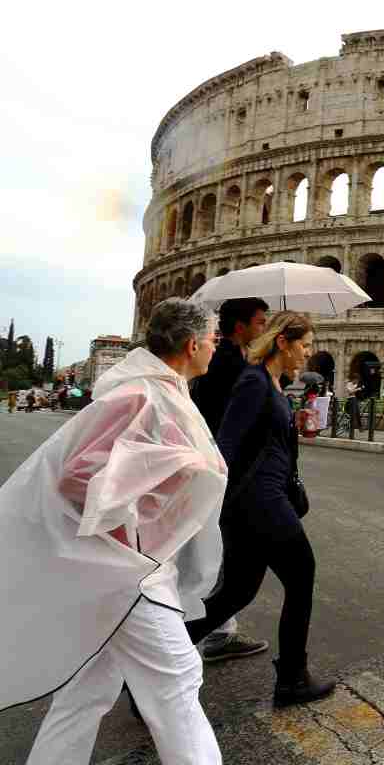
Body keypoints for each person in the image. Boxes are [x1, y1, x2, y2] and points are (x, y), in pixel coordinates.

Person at [3, 299, 225, 764]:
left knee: (88, 689)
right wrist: (130, 544)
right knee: (177, 681)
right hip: (128, 572)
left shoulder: (160, 391)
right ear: (192, 344)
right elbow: (79, 477)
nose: (215, 346)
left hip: (124, 568)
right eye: (213, 338)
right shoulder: (140, 395)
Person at [183, 311, 335, 707]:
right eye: (303, 345)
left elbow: (266, 440)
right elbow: (228, 444)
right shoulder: (253, 381)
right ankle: (292, 679)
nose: (307, 354)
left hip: (260, 503)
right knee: (301, 576)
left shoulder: (272, 384)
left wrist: (293, 422)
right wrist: (211, 502)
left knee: (236, 591)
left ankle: (152, 668)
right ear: (282, 343)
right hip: (259, 503)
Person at [188, 297, 271, 663]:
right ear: (240, 327)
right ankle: (194, 637)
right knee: (226, 563)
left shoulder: (229, 360)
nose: (263, 329)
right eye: (259, 322)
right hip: (228, 472)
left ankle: (217, 631)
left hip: (223, 468)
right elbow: (233, 421)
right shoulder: (229, 364)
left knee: (219, 557)